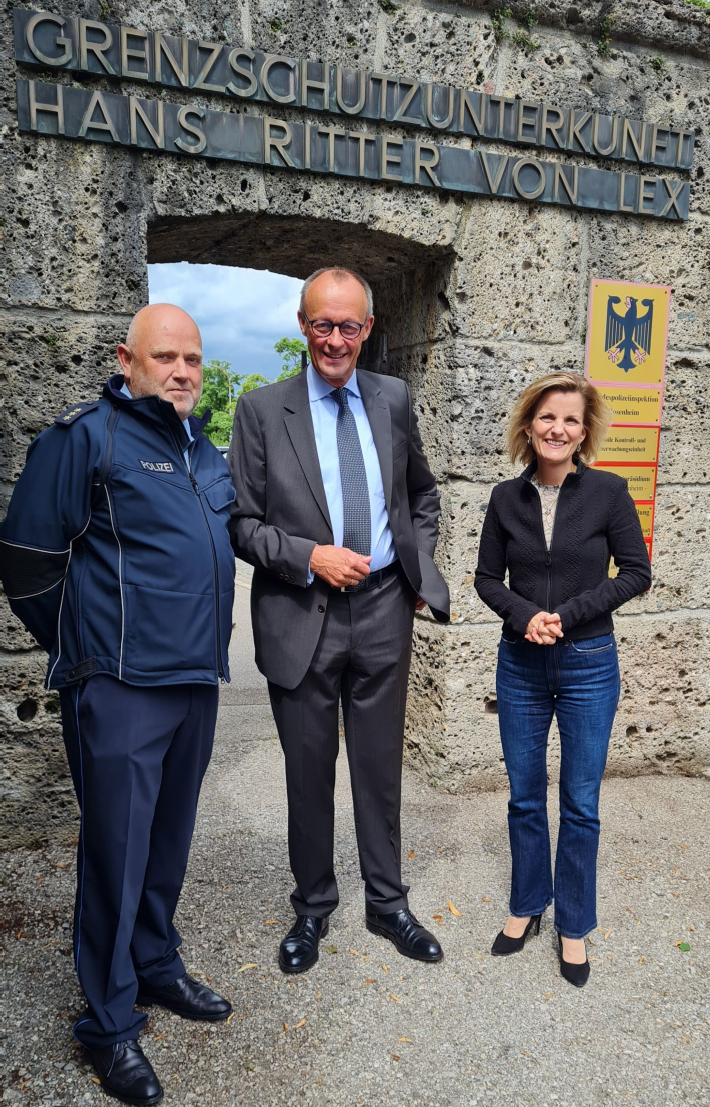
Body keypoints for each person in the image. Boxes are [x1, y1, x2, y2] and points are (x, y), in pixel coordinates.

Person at [0, 305, 237, 1105]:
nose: (181, 371)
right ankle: (107, 1021)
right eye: (165, 356)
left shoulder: (203, 450)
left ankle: (157, 964)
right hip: (121, 688)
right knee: (116, 853)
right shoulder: (87, 437)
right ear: (125, 359)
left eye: (193, 359)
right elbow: (28, 556)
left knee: (166, 843)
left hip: (195, 685)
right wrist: (88, 643)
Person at [228, 266, 450, 973]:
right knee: (309, 771)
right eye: (321, 323)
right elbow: (241, 524)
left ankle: (387, 903)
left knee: (381, 769)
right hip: (301, 610)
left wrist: (417, 567)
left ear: (368, 329)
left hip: (385, 607)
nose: (334, 338)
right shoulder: (262, 411)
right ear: (302, 324)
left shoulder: (393, 398)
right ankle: (313, 907)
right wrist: (308, 555)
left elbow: (422, 494)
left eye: (347, 325)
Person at [474, 371, 651, 987]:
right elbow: (486, 579)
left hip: (588, 662)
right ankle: (528, 904)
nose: (559, 429)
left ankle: (573, 922)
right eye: (548, 417)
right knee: (525, 795)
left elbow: (635, 572)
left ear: (584, 432)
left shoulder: (607, 491)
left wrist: (566, 617)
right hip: (520, 664)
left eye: (571, 420)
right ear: (529, 426)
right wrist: (526, 618)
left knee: (580, 801)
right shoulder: (504, 498)